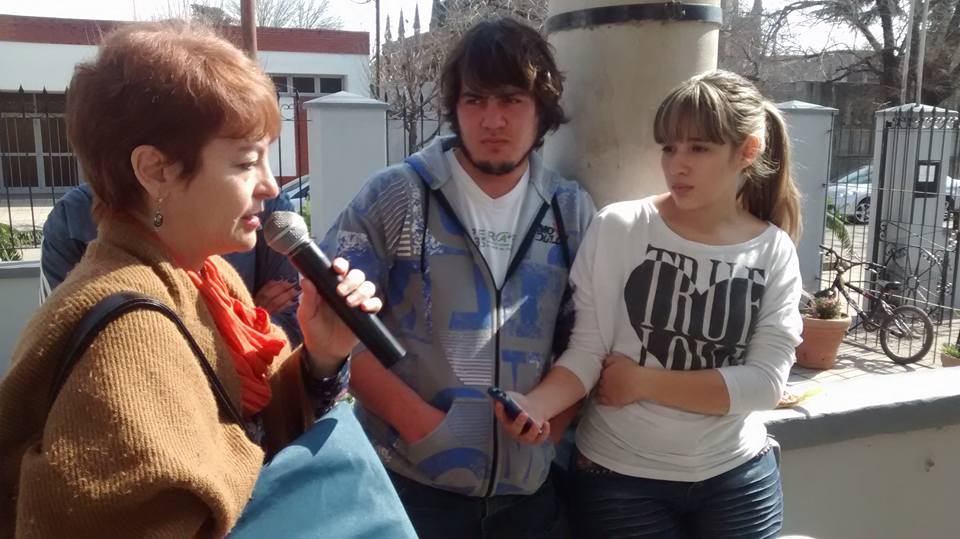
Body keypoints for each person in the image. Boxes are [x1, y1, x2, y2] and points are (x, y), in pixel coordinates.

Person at [0, 21, 387, 536]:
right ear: (155, 170)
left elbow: (256, 434)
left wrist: (322, 353)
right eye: (246, 162)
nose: (271, 186)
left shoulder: (205, 277)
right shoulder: (128, 338)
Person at [496, 70, 803, 538]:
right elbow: (587, 352)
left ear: (748, 151)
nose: (677, 165)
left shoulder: (773, 250)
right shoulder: (620, 227)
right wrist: (536, 405)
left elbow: (763, 385)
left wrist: (643, 382)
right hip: (619, 481)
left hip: (737, 476)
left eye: (698, 148)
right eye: (669, 147)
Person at [321, 17, 595, 539]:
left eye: (511, 99)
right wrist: (418, 424)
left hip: (529, 498)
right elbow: (331, 329)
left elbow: (590, 339)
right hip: (409, 487)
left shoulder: (571, 211)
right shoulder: (397, 196)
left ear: (542, 108)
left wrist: (550, 427)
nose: (492, 119)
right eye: (475, 100)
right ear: (455, 106)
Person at [39, 183, 304, 346]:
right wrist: (245, 318)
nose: (270, 185)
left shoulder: (268, 212)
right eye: (244, 161)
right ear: (153, 165)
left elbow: (288, 333)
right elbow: (80, 348)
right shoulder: (73, 220)